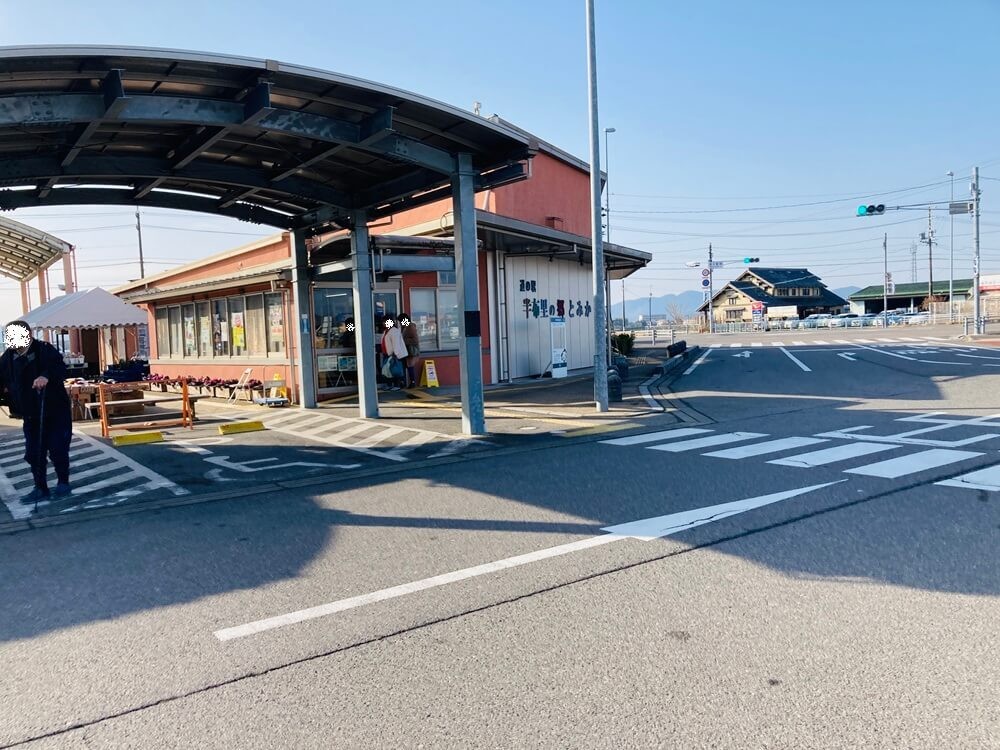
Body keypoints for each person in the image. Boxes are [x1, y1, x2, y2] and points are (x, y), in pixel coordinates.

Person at [0, 321, 73, 504]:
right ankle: (40, 487)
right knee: (33, 452)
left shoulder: (44, 350)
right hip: (30, 413)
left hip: (55, 411)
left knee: (57, 448)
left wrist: (45, 376)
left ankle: (63, 482)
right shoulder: (8, 357)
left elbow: (60, 368)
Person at [379, 315, 408, 391]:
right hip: (387, 354)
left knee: (395, 369)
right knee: (387, 370)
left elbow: (396, 343)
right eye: (383, 322)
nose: (384, 323)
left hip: (394, 354)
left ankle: (397, 385)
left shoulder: (394, 331)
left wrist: (395, 353)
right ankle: (389, 384)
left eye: (386, 321)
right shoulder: (386, 331)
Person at [398, 312, 421, 388]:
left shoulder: (410, 327)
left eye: (400, 321)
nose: (400, 323)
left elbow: (415, 340)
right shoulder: (404, 327)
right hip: (406, 351)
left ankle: (412, 382)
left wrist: (403, 341)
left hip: (411, 351)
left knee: (410, 366)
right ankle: (405, 382)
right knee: (406, 366)